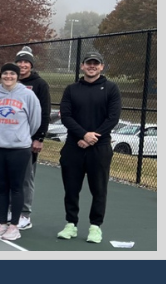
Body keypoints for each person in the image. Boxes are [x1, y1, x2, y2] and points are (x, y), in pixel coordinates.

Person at [56, 51, 122, 244]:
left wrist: (92, 138)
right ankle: (71, 224)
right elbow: (66, 116)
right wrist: (83, 135)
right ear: (83, 66)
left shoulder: (111, 88)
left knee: (99, 189)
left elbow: (113, 118)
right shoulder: (71, 89)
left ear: (101, 67)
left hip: (99, 149)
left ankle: (95, 227)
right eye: (88, 63)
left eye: (96, 63)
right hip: (73, 147)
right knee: (71, 188)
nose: (92, 66)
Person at [0, 46, 50, 230]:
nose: (23, 65)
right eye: (20, 62)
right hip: (4, 143)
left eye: (26, 62)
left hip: (26, 144)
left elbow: (42, 115)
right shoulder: (4, 87)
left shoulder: (40, 85)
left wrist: (38, 137)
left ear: (31, 65)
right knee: (6, 179)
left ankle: (24, 214)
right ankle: (8, 212)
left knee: (25, 179)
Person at [0, 63, 42, 242]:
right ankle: (2, 223)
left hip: (19, 150)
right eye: (5, 73)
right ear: (0, 75)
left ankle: (14, 226)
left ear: (17, 76)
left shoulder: (28, 95)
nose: (8, 76)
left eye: (12, 73)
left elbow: (35, 121)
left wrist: (20, 136)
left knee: (16, 188)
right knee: (1, 188)